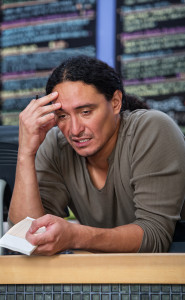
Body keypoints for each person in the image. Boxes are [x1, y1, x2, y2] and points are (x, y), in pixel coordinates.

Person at [9, 55, 185, 255]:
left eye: (85, 112)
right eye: (63, 116)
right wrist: (25, 153)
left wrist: (75, 236)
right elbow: (25, 240)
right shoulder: (56, 144)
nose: (74, 130)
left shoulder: (152, 128)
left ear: (116, 102)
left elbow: (155, 237)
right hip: (107, 275)